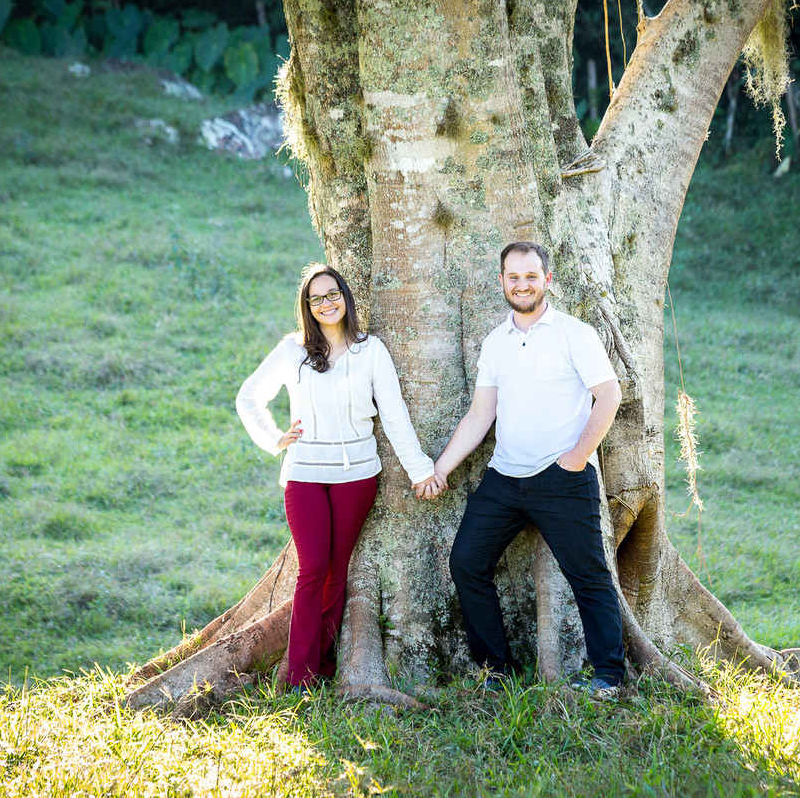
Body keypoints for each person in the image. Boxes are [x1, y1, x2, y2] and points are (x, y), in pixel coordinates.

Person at [429, 241, 626, 697]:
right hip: (504, 477)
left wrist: (576, 458)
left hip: (563, 478)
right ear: (501, 281)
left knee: (589, 576)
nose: (522, 285)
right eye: (513, 277)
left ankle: (608, 675)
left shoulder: (574, 333)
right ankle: (497, 670)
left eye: (531, 276)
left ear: (547, 280)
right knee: (466, 562)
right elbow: (480, 415)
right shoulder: (495, 343)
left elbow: (609, 395)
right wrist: (440, 469)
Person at [236, 264, 442, 692]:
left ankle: (323, 664)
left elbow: (393, 415)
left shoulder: (371, 351)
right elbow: (249, 397)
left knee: (336, 571)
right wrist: (274, 439)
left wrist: (421, 470)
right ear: (307, 307)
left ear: (345, 297)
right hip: (305, 474)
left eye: (333, 294)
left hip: (357, 476)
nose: (327, 303)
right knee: (312, 568)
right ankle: (299, 676)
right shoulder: (292, 350)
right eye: (317, 298)